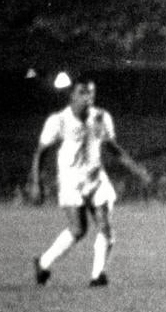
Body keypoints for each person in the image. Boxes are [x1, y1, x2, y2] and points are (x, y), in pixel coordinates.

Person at [29, 76, 151, 287]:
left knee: (106, 226)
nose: (88, 97)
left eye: (91, 93)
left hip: (96, 178)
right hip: (70, 181)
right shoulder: (58, 120)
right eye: (82, 93)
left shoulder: (101, 117)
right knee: (78, 230)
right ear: (72, 96)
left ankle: (98, 276)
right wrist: (36, 183)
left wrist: (135, 168)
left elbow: (112, 147)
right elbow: (41, 152)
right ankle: (43, 262)